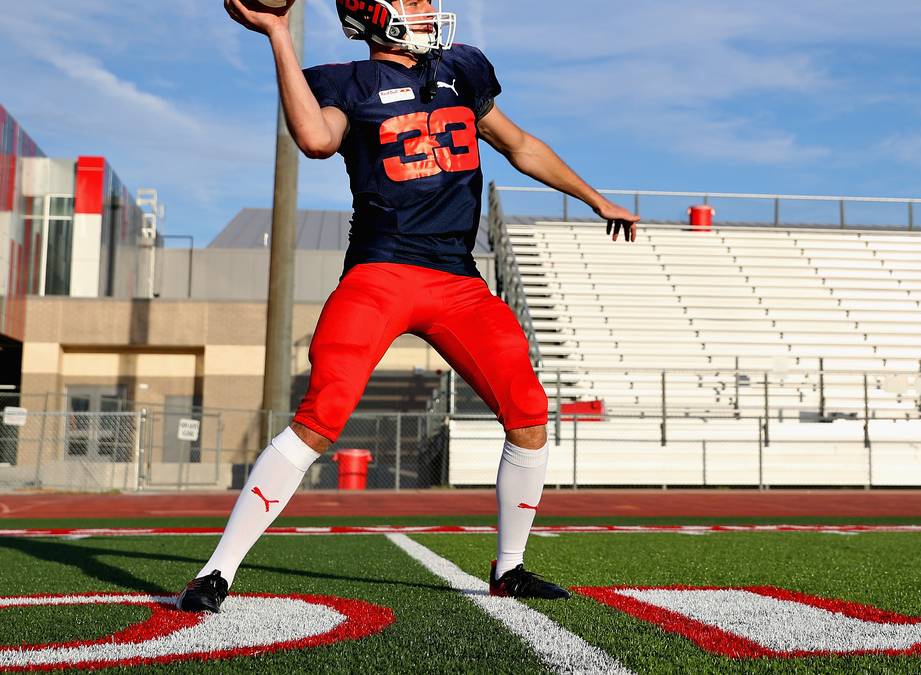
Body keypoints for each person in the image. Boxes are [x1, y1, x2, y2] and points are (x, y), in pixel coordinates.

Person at [178, 0, 639, 612]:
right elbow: (315, 140)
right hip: (382, 269)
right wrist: (278, 35)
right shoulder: (349, 82)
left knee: (527, 410)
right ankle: (217, 572)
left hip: (457, 277)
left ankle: (510, 567)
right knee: (323, 413)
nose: (428, 9)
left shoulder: (463, 71)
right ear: (372, 12)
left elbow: (520, 145)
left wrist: (594, 197)